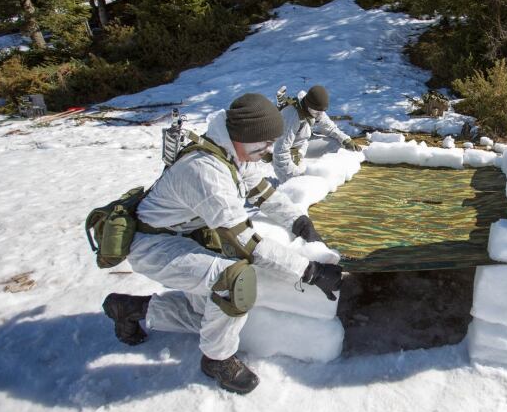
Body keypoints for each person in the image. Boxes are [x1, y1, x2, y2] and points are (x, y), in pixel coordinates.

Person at [102, 93, 343, 394]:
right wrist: (309, 271)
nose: (268, 151)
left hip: (186, 237)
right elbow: (246, 244)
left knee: (209, 317)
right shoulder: (205, 171)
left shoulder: (234, 151)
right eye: (264, 144)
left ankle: (129, 308)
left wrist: (299, 222)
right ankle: (217, 360)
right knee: (233, 283)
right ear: (244, 136)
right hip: (155, 246)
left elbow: (262, 193)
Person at [272, 84, 361, 183]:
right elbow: (280, 153)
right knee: (297, 180)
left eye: (321, 112)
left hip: (302, 145)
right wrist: (293, 180)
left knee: (338, 145)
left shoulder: (315, 109)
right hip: (288, 152)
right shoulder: (291, 116)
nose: (319, 115)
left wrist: (345, 139)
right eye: (317, 112)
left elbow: (329, 127)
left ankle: (331, 176)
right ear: (308, 105)